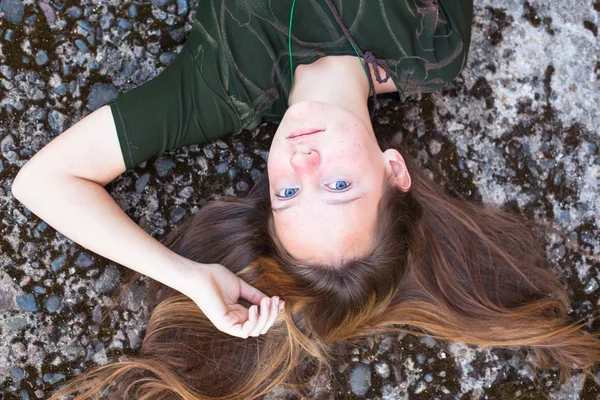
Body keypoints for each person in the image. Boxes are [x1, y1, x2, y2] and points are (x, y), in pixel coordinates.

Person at [10, 0, 600, 399]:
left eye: (288, 194)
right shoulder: (435, 46)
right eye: (340, 187)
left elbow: (41, 184)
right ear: (395, 171)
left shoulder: (221, 87)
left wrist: (189, 277)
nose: (303, 161)